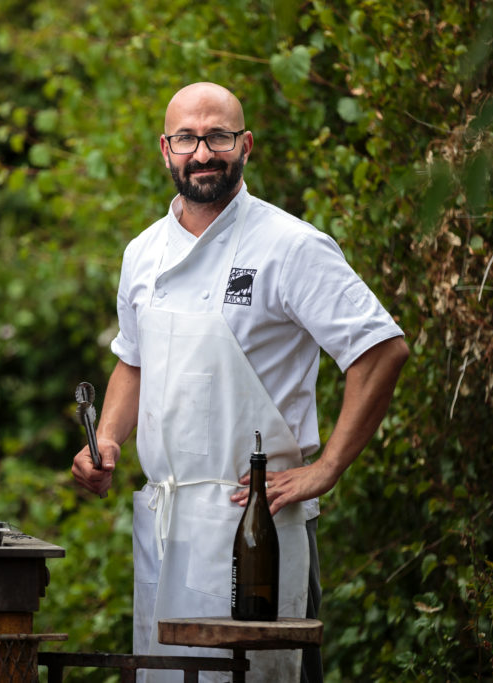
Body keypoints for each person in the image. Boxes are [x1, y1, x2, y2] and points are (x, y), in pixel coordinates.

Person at [72, 82, 409, 682]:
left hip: (255, 529)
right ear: (165, 149)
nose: (203, 153)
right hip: (167, 528)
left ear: (245, 145)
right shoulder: (142, 254)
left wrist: (327, 468)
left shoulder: (291, 246)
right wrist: (111, 440)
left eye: (218, 137)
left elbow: (381, 350)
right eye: (186, 139)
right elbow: (134, 362)